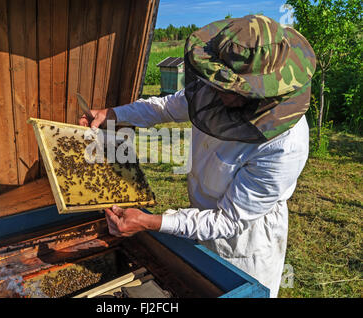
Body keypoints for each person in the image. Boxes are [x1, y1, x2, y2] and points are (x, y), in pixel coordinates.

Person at [79, 15, 316, 297]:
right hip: (199, 223)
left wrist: (151, 221)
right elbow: (164, 108)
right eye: (220, 82)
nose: (218, 91)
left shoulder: (285, 143)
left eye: (232, 88)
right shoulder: (215, 90)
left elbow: (228, 221)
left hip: (245, 244)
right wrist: (114, 114)